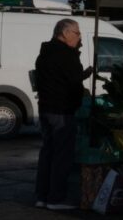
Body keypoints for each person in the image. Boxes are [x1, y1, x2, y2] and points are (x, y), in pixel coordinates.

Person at [34, 19, 92, 210]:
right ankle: (56, 198)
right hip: (62, 110)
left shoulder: (44, 53)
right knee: (61, 155)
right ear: (65, 33)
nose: (79, 36)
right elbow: (73, 82)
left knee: (48, 153)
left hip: (46, 108)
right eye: (77, 33)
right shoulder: (66, 55)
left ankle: (41, 196)